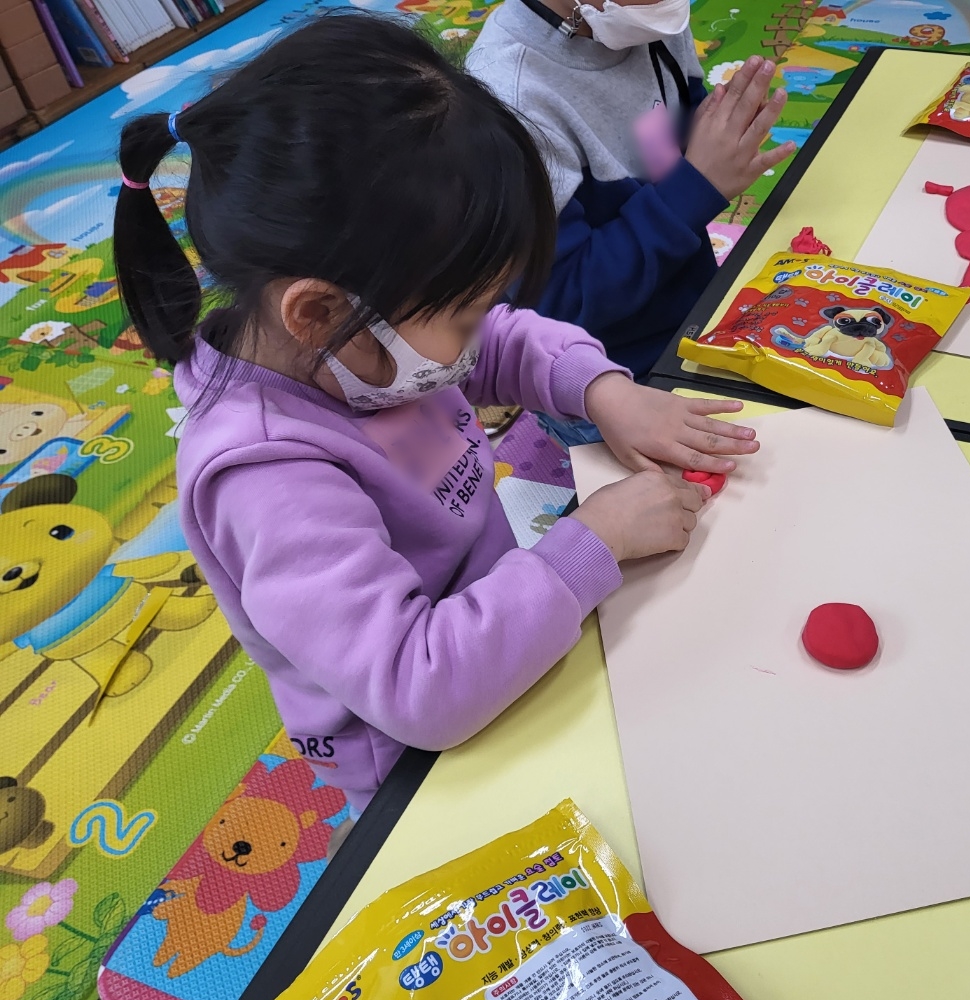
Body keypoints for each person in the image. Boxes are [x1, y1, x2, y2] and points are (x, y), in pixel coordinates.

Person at [112, 11, 759, 810]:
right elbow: (418, 688)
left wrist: (604, 390)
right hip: (425, 773)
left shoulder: (357, 342)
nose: (480, 333)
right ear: (317, 312)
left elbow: (505, 340)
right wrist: (595, 539)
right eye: (464, 315)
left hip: (512, 642)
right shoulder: (265, 477)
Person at [467, 0, 795, 444]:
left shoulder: (646, 21)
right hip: (614, 381)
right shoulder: (511, 97)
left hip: (696, 319)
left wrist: (721, 137)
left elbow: (666, 146)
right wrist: (695, 187)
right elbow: (562, 304)